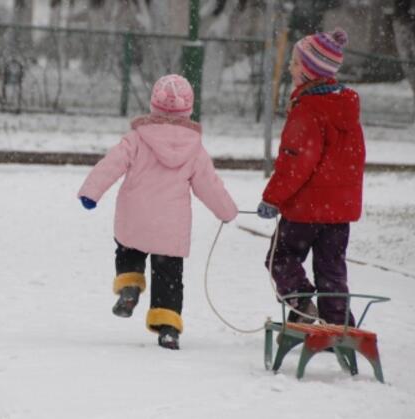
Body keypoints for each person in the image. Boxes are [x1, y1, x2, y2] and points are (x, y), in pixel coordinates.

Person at [78, 74, 238, 350]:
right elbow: (208, 185)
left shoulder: (136, 138)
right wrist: (227, 211)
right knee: (169, 277)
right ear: (189, 109)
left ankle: (130, 286)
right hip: (170, 229)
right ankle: (168, 327)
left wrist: (91, 192)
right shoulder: (194, 148)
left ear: (153, 105)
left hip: (135, 219)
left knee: (128, 251)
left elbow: (110, 165)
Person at [257, 28, 364, 326]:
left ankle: (302, 303)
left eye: (294, 63)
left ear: (307, 71)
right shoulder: (347, 110)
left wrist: (272, 199)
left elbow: (295, 162)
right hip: (338, 213)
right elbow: (353, 160)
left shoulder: (308, 109)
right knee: (331, 270)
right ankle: (338, 325)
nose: (291, 68)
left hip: (305, 210)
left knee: (280, 257)